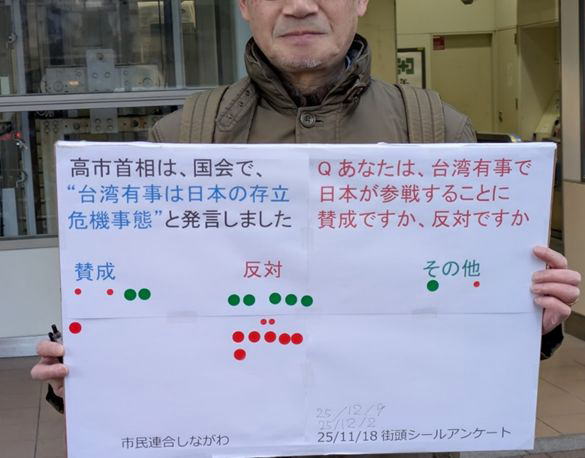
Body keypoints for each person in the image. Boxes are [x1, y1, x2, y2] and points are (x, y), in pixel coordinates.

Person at [32, 1, 581, 457]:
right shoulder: (180, 140)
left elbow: (465, 307)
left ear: (361, 1)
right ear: (244, 5)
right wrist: (89, 374)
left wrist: (528, 318)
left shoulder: (436, 131)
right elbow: (153, 313)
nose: (299, 5)